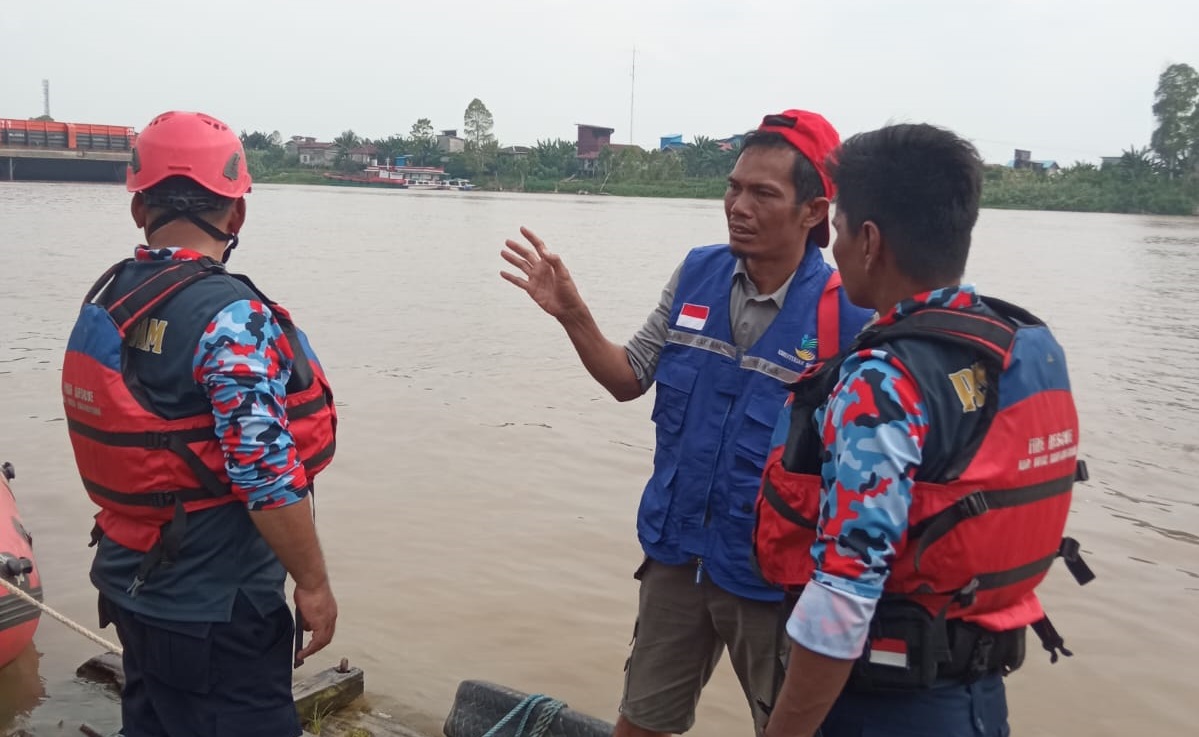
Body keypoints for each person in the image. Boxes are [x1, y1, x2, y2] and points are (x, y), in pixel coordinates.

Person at [501, 110, 875, 736]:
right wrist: (572, 314)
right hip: (676, 556)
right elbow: (629, 377)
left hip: (773, 579)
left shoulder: (847, 316)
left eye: (763, 193)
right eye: (733, 187)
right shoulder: (698, 272)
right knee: (640, 723)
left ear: (814, 211)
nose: (737, 205)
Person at [754, 123, 1095, 737]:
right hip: (980, 699)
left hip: (884, 709)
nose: (831, 251)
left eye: (836, 232)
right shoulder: (1021, 347)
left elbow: (845, 593)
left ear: (869, 241)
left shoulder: (881, 379)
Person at [61, 110, 340, 737]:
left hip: (130, 585)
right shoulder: (233, 319)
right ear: (236, 215)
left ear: (138, 208)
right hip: (217, 612)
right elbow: (267, 478)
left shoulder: (113, 299)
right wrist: (315, 586)